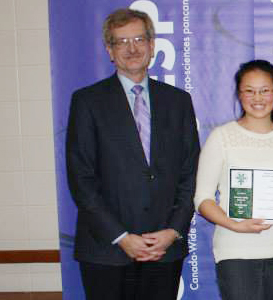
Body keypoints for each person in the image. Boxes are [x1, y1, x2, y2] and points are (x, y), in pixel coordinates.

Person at [65, 8, 200, 300]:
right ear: (109, 51)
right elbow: (81, 179)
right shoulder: (87, 102)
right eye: (121, 42)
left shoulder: (178, 102)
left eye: (139, 38)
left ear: (152, 45)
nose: (132, 48)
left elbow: (191, 174)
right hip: (106, 250)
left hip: (163, 249)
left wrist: (173, 232)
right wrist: (121, 237)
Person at [193, 59, 273, 300]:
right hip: (236, 251)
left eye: (264, 90)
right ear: (239, 94)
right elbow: (202, 199)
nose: (257, 98)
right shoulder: (221, 137)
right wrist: (235, 225)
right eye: (249, 90)